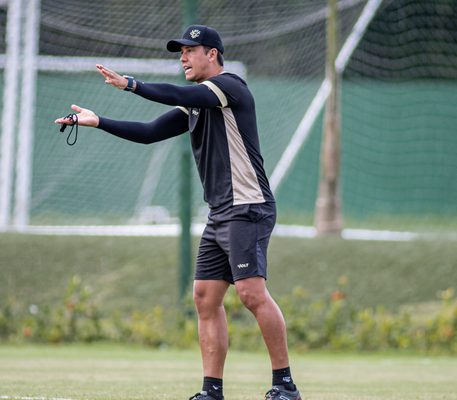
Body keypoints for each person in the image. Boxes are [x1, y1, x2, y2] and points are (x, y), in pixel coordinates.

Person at [55, 25, 301, 400]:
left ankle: (285, 386)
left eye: (190, 50)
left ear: (213, 54)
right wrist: (98, 121)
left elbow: (173, 91)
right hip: (221, 212)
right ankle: (212, 391)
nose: (183, 57)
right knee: (204, 296)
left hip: (247, 207)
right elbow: (149, 131)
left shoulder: (230, 86)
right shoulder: (197, 103)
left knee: (251, 294)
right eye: (180, 52)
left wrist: (130, 85)